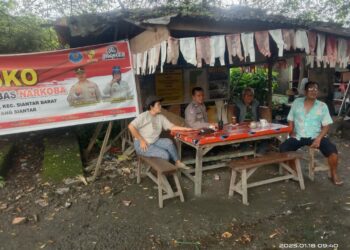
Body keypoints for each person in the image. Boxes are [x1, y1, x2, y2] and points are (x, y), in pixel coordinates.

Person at [279, 81, 343, 185]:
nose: (313, 91)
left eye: (316, 89)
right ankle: (294, 171)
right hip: (299, 136)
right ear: (305, 91)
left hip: (315, 136)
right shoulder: (297, 102)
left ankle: (334, 174)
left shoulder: (322, 106)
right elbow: (290, 118)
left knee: (333, 151)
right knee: (284, 148)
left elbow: (326, 126)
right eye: (310, 89)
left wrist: (319, 139)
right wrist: (291, 131)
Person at [128, 96, 192, 169]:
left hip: (154, 141)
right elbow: (131, 126)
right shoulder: (144, 116)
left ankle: (177, 162)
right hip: (142, 145)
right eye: (158, 105)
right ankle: (163, 172)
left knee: (169, 142)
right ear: (151, 107)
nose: (160, 106)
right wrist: (141, 140)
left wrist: (185, 129)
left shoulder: (160, 117)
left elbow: (171, 127)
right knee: (165, 155)